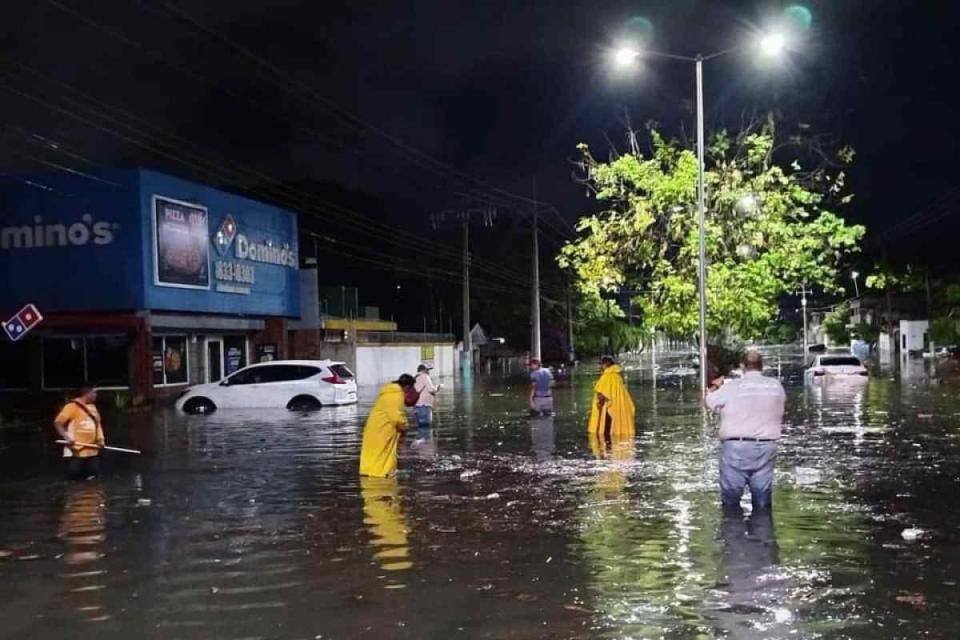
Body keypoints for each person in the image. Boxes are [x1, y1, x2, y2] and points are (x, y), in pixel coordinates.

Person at [705, 350, 785, 512]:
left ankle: (733, 533)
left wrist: (714, 387)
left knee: (731, 504)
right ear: (762, 366)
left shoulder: (732, 387)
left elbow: (709, 402)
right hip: (766, 448)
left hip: (736, 449)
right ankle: (762, 533)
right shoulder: (776, 386)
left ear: (742, 367)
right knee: (763, 502)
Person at [359, 374, 416, 478]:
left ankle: (368, 472)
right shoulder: (397, 395)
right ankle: (380, 475)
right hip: (382, 431)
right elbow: (395, 417)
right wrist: (405, 425)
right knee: (382, 455)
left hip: (374, 428)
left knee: (373, 454)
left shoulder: (387, 393)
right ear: (407, 387)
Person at [53, 385, 105, 481]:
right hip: (76, 452)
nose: (96, 395)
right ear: (87, 393)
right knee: (74, 480)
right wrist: (67, 438)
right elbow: (58, 423)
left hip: (92, 451)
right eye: (94, 393)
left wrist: (101, 439)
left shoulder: (93, 408)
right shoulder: (71, 407)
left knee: (93, 479)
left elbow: (98, 425)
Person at [587, 356, 635, 439]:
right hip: (617, 409)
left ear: (605, 365)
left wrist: (599, 404)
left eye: (601, 365)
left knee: (606, 433)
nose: (600, 368)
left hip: (608, 411)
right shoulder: (617, 377)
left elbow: (603, 393)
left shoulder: (607, 377)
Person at [413, 364, 440, 431]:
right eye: (427, 370)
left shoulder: (415, 378)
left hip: (416, 407)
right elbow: (431, 390)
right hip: (424, 407)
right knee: (426, 429)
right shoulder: (425, 376)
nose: (429, 372)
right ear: (422, 370)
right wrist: (438, 388)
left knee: (421, 429)